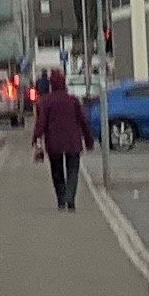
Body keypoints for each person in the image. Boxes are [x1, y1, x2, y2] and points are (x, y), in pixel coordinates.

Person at [30, 67, 93, 211]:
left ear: (51, 84)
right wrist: (89, 140)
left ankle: (61, 199)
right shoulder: (73, 101)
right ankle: (70, 198)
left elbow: (41, 123)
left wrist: (36, 138)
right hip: (73, 142)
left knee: (57, 172)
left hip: (54, 143)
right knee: (73, 171)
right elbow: (83, 122)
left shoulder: (46, 102)